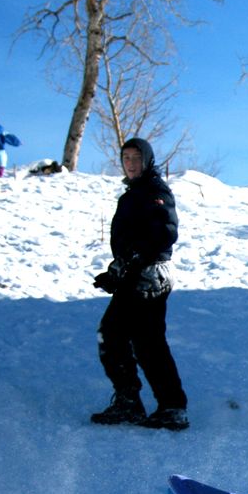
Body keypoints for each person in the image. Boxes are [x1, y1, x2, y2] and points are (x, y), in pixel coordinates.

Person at [90, 137, 189, 431]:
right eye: (126, 158)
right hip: (135, 275)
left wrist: (130, 260)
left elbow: (164, 233)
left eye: (136, 158)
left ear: (147, 160)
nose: (131, 164)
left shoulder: (154, 191)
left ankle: (170, 407)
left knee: (143, 342)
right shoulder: (134, 193)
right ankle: (130, 402)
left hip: (149, 278)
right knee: (116, 336)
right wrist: (117, 271)